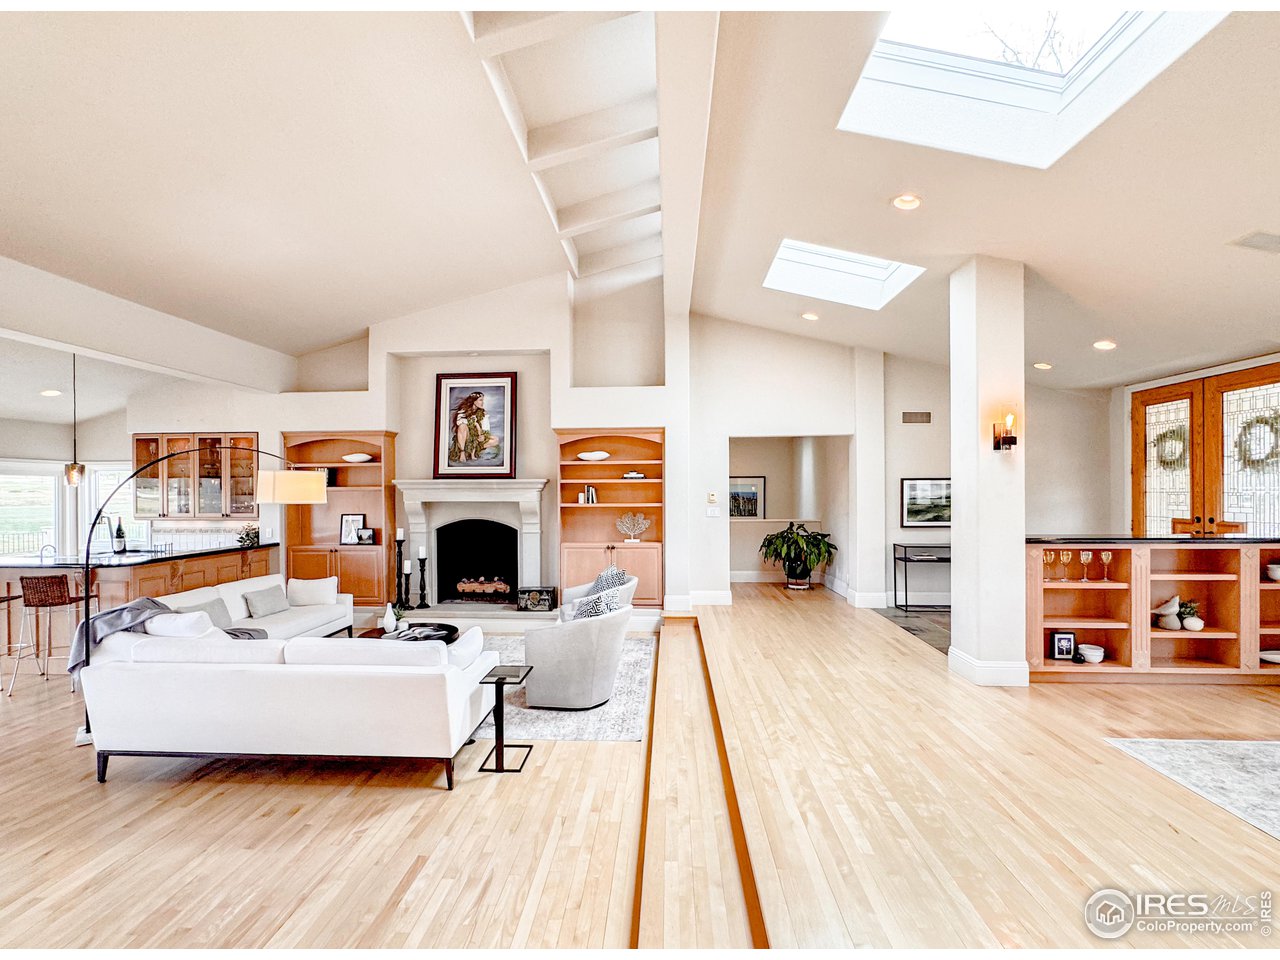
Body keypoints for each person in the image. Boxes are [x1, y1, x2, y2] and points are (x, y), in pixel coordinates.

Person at [449, 391, 501, 463]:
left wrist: (482, 435)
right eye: (480, 400)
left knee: (496, 439)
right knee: (462, 426)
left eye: (483, 400)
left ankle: (474, 449)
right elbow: (461, 427)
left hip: (476, 437)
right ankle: (462, 452)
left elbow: (485, 427)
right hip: (465, 438)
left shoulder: (482, 412)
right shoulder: (463, 411)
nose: (482, 402)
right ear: (474, 401)